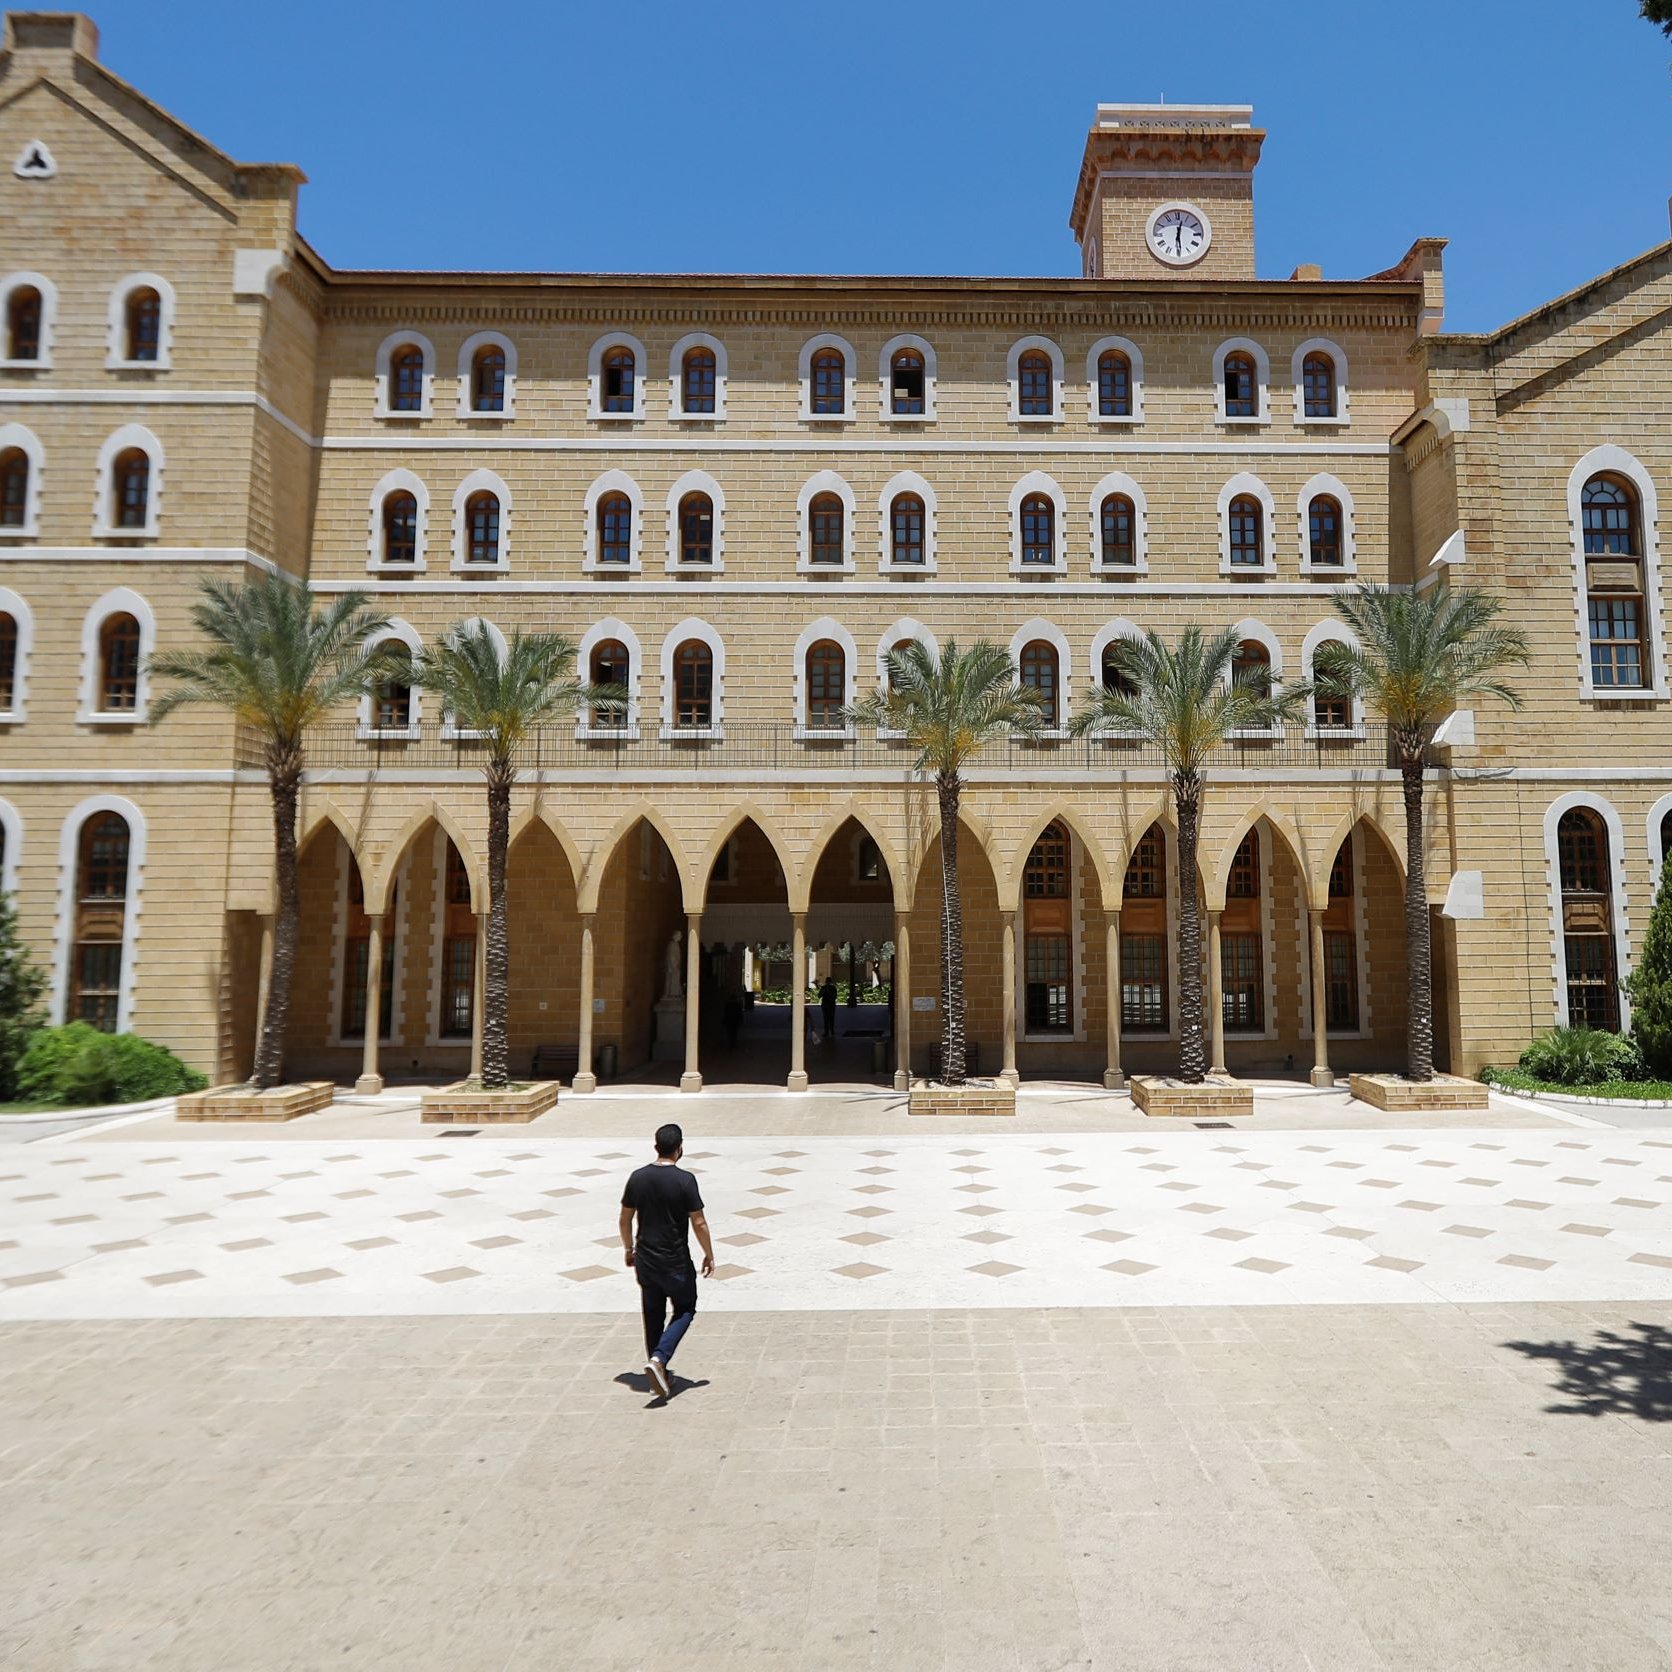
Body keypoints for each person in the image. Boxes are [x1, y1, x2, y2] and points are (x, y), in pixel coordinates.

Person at [619, 1123, 714, 1399]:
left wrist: (628, 1248)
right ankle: (659, 1360)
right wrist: (709, 1253)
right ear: (680, 1148)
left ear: (656, 1147)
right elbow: (698, 1221)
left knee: (653, 1315)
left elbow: (625, 1218)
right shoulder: (685, 1180)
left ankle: (656, 1373)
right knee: (685, 1309)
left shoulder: (637, 1177)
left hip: (645, 1260)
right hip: (675, 1261)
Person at [820, 974, 839, 1040]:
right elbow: (819, 995)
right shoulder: (823, 988)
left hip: (830, 1004)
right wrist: (824, 992)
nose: (828, 983)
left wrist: (830, 994)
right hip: (825, 1004)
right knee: (826, 1018)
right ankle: (827, 1031)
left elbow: (835, 996)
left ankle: (831, 1030)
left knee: (831, 1017)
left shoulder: (833, 988)